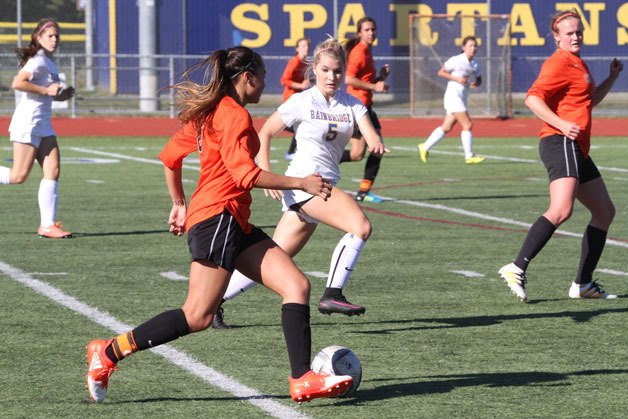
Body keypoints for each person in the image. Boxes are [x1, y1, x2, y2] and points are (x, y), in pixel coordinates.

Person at [85, 46, 353, 404]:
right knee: (197, 315)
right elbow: (246, 175)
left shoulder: (210, 112)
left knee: (296, 285)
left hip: (231, 220)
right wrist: (302, 183)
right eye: (262, 79)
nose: (264, 87)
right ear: (247, 78)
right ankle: (108, 352)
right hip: (218, 219)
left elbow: (169, 159)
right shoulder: (234, 116)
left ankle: (302, 379)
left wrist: (179, 203)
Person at [211, 37, 388, 330]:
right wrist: (264, 169)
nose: (332, 77)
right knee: (361, 227)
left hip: (319, 187)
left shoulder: (352, 104)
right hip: (305, 184)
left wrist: (376, 142)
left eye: (338, 71)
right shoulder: (302, 101)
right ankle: (333, 293)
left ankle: (216, 299)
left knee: (275, 258)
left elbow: (368, 134)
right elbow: (266, 131)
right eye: (326, 70)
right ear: (314, 70)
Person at [498, 9, 622, 302]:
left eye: (578, 31)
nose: (575, 36)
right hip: (559, 141)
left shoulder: (578, 63)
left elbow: (588, 102)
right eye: (569, 33)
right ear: (556, 37)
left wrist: (612, 77)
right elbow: (531, 98)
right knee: (561, 209)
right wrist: (561, 123)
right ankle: (516, 267)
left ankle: (583, 284)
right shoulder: (558, 63)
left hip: (576, 146)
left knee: (604, 212)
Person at [0, 19, 75, 238]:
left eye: (56, 36)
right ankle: (47, 224)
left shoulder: (49, 62)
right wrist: (47, 91)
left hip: (43, 124)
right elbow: (18, 83)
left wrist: (60, 95)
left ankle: (47, 225)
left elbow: (46, 90)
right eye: (50, 36)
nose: (54, 40)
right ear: (38, 38)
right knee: (18, 176)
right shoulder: (38, 61)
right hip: (29, 122)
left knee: (53, 170)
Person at [417, 36, 485, 165]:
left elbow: (479, 78)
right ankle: (469, 156)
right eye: (470, 46)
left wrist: (476, 83)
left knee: (446, 127)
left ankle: (424, 147)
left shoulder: (475, 63)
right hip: (453, 96)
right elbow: (441, 72)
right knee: (468, 124)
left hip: (462, 97)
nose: (473, 48)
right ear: (463, 48)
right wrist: (457, 79)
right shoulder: (456, 60)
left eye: (475, 46)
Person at [343, 16, 390, 203]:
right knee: (358, 154)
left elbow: (367, 81)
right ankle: (318, 163)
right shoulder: (359, 52)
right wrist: (374, 86)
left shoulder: (368, 51)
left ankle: (363, 192)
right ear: (360, 33)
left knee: (373, 149)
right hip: (357, 107)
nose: (371, 33)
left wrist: (381, 78)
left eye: (373, 29)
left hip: (366, 106)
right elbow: (348, 79)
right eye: (367, 30)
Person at [281, 37, 311, 161]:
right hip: (290, 98)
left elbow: (305, 80)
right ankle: (291, 152)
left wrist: (308, 81)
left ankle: (291, 152)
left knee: (302, 125)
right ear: (297, 48)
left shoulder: (305, 63)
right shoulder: (294, 62)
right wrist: (301, 85)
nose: (306, 48)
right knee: (300, 125)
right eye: (303, 46)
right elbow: (284, 80)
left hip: (299, 98)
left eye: (307, 45)